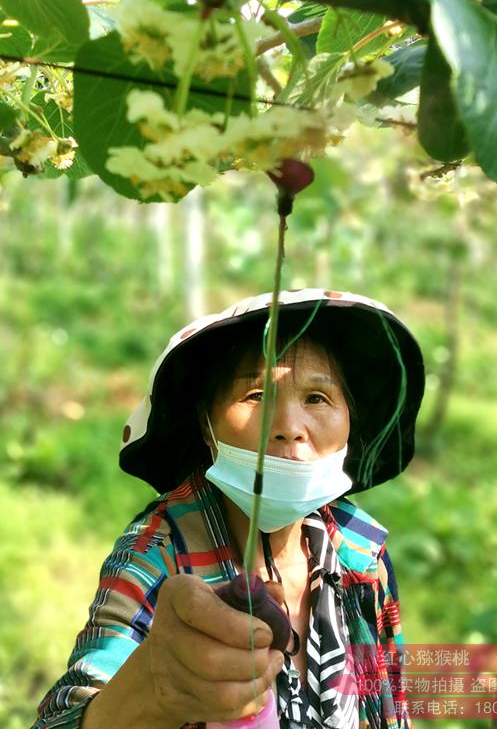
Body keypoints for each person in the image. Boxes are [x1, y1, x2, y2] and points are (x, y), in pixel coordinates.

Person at [33, 288, 425, 729]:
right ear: (207, 424)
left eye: (317, 398)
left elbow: (390, 701)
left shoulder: (359, 551)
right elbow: (63, 719)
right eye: (256, 395)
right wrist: (152, 689)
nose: (290, 428)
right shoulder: (156, 553)